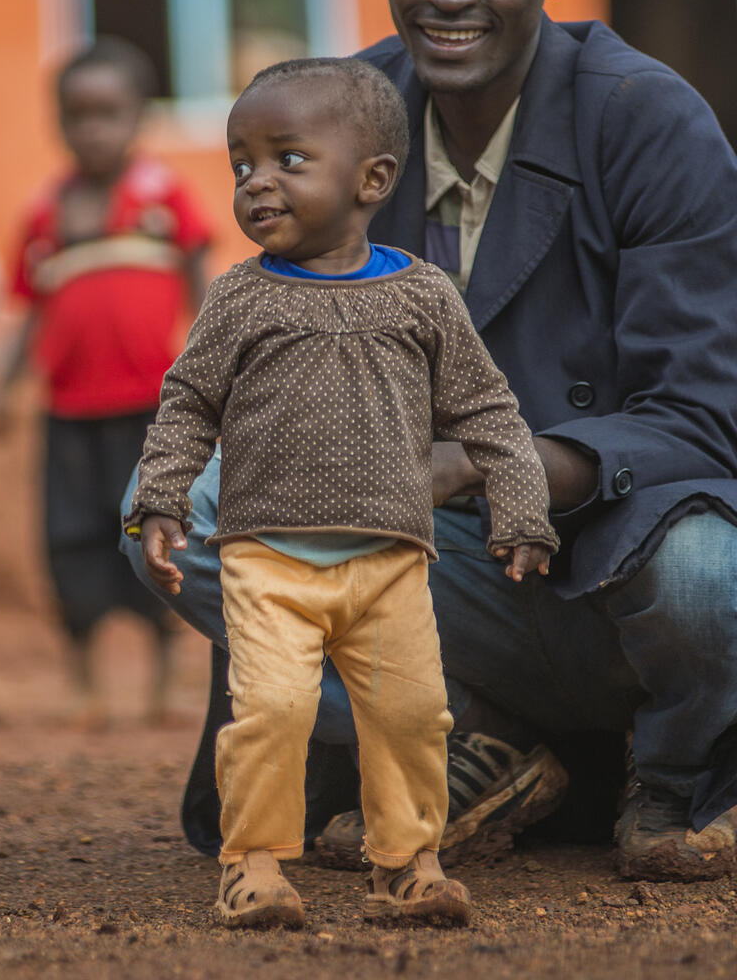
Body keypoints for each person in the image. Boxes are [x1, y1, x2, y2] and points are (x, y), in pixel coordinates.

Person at [121, 0, 737, 882]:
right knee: (175, 511)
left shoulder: (645, 121)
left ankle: (675, 778)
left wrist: (480, 463)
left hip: (612, 551)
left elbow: (702, 415)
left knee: (700, 573)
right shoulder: (339, 118)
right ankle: (459, 747)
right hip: (437, 563)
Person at [127, 57, 557, 928]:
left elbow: (488, 411)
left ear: (372, 180)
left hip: (394, 565)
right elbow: (188, 402)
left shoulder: (423, 297)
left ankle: (410, 865)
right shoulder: (240, 298)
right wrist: (163, 498)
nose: (257, 183)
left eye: (288, 159)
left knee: (410, 715)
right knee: (274, 711)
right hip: (268, 561)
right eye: (241, 163)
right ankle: (253, 866)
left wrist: (520, 507)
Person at [0, 38, 210, 726]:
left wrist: (213, 370)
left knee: (159, 532)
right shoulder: (46, 215)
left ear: (140, 116)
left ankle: (165, 684)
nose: (93, 130)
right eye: (77, 115)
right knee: (71, 539)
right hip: (69, 414)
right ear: (57, 122)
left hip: (151, 410)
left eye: (109, 113)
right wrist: (3, 387)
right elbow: (30, 313)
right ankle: (85, 686)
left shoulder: (162, 198)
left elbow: (201, 285)